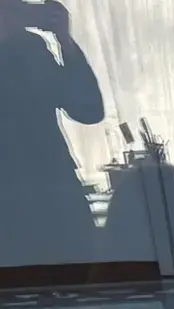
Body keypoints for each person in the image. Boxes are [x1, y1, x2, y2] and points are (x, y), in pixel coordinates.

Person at [0, 0, 102, 268]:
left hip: (53, 186)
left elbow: (88, 110)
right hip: (14, 196)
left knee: (76, 268)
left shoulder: (30, 49)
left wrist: (64, 43)